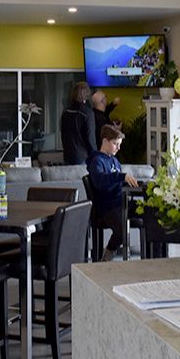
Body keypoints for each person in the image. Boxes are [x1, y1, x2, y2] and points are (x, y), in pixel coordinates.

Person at [86, 125, 138, 262]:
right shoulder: (96, 161)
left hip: (121, 202)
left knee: (149, 210)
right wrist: (121, 177)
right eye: (115, 144)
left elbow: (118, 181)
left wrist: (129, 181)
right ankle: (107, 257)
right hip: (107, 207)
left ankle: (153, 257)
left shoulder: (115, 161)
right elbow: (100, 181)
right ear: (105, 141)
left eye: (119, 144)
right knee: (121, 230)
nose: (118, 148)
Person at [60, 81, 96, 165]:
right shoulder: (87, 113)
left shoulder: (66, 112)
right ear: (86, 95)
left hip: (68, 155)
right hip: (82, 156)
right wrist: (95, 156)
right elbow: (90, 138)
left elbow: (63, 134)